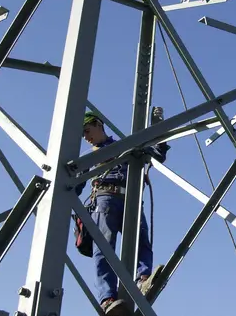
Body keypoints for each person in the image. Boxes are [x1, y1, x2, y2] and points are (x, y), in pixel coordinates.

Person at [75, 107, 171, 316]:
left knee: (141, 242)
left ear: (98, 125)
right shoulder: (88, 156)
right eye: (83, 134)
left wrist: (158, 129)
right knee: (104, 249)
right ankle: (108, 298)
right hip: (105, 199)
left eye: (87, 131)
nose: (87, 137)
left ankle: (143, 279)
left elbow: (157, 152)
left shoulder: (126, 147)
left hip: (131, 198)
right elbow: (74, 185)